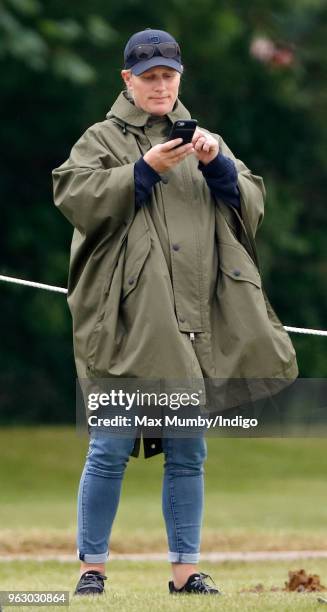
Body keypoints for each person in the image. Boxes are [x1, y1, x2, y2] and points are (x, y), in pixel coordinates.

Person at [52, 28, 298, 597]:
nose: (160, 86)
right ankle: (93, 570)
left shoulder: (206, 138)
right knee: (109, 447)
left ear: (179, 79)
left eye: (168, 76)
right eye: (149, 76)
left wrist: (217, 167)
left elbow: (252, 204)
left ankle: (186, 574)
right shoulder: (101, 139)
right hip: (126, 327)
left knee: (189, 451)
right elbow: (73, 195)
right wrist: (144, 170)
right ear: (128, 81)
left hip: (193, 328)